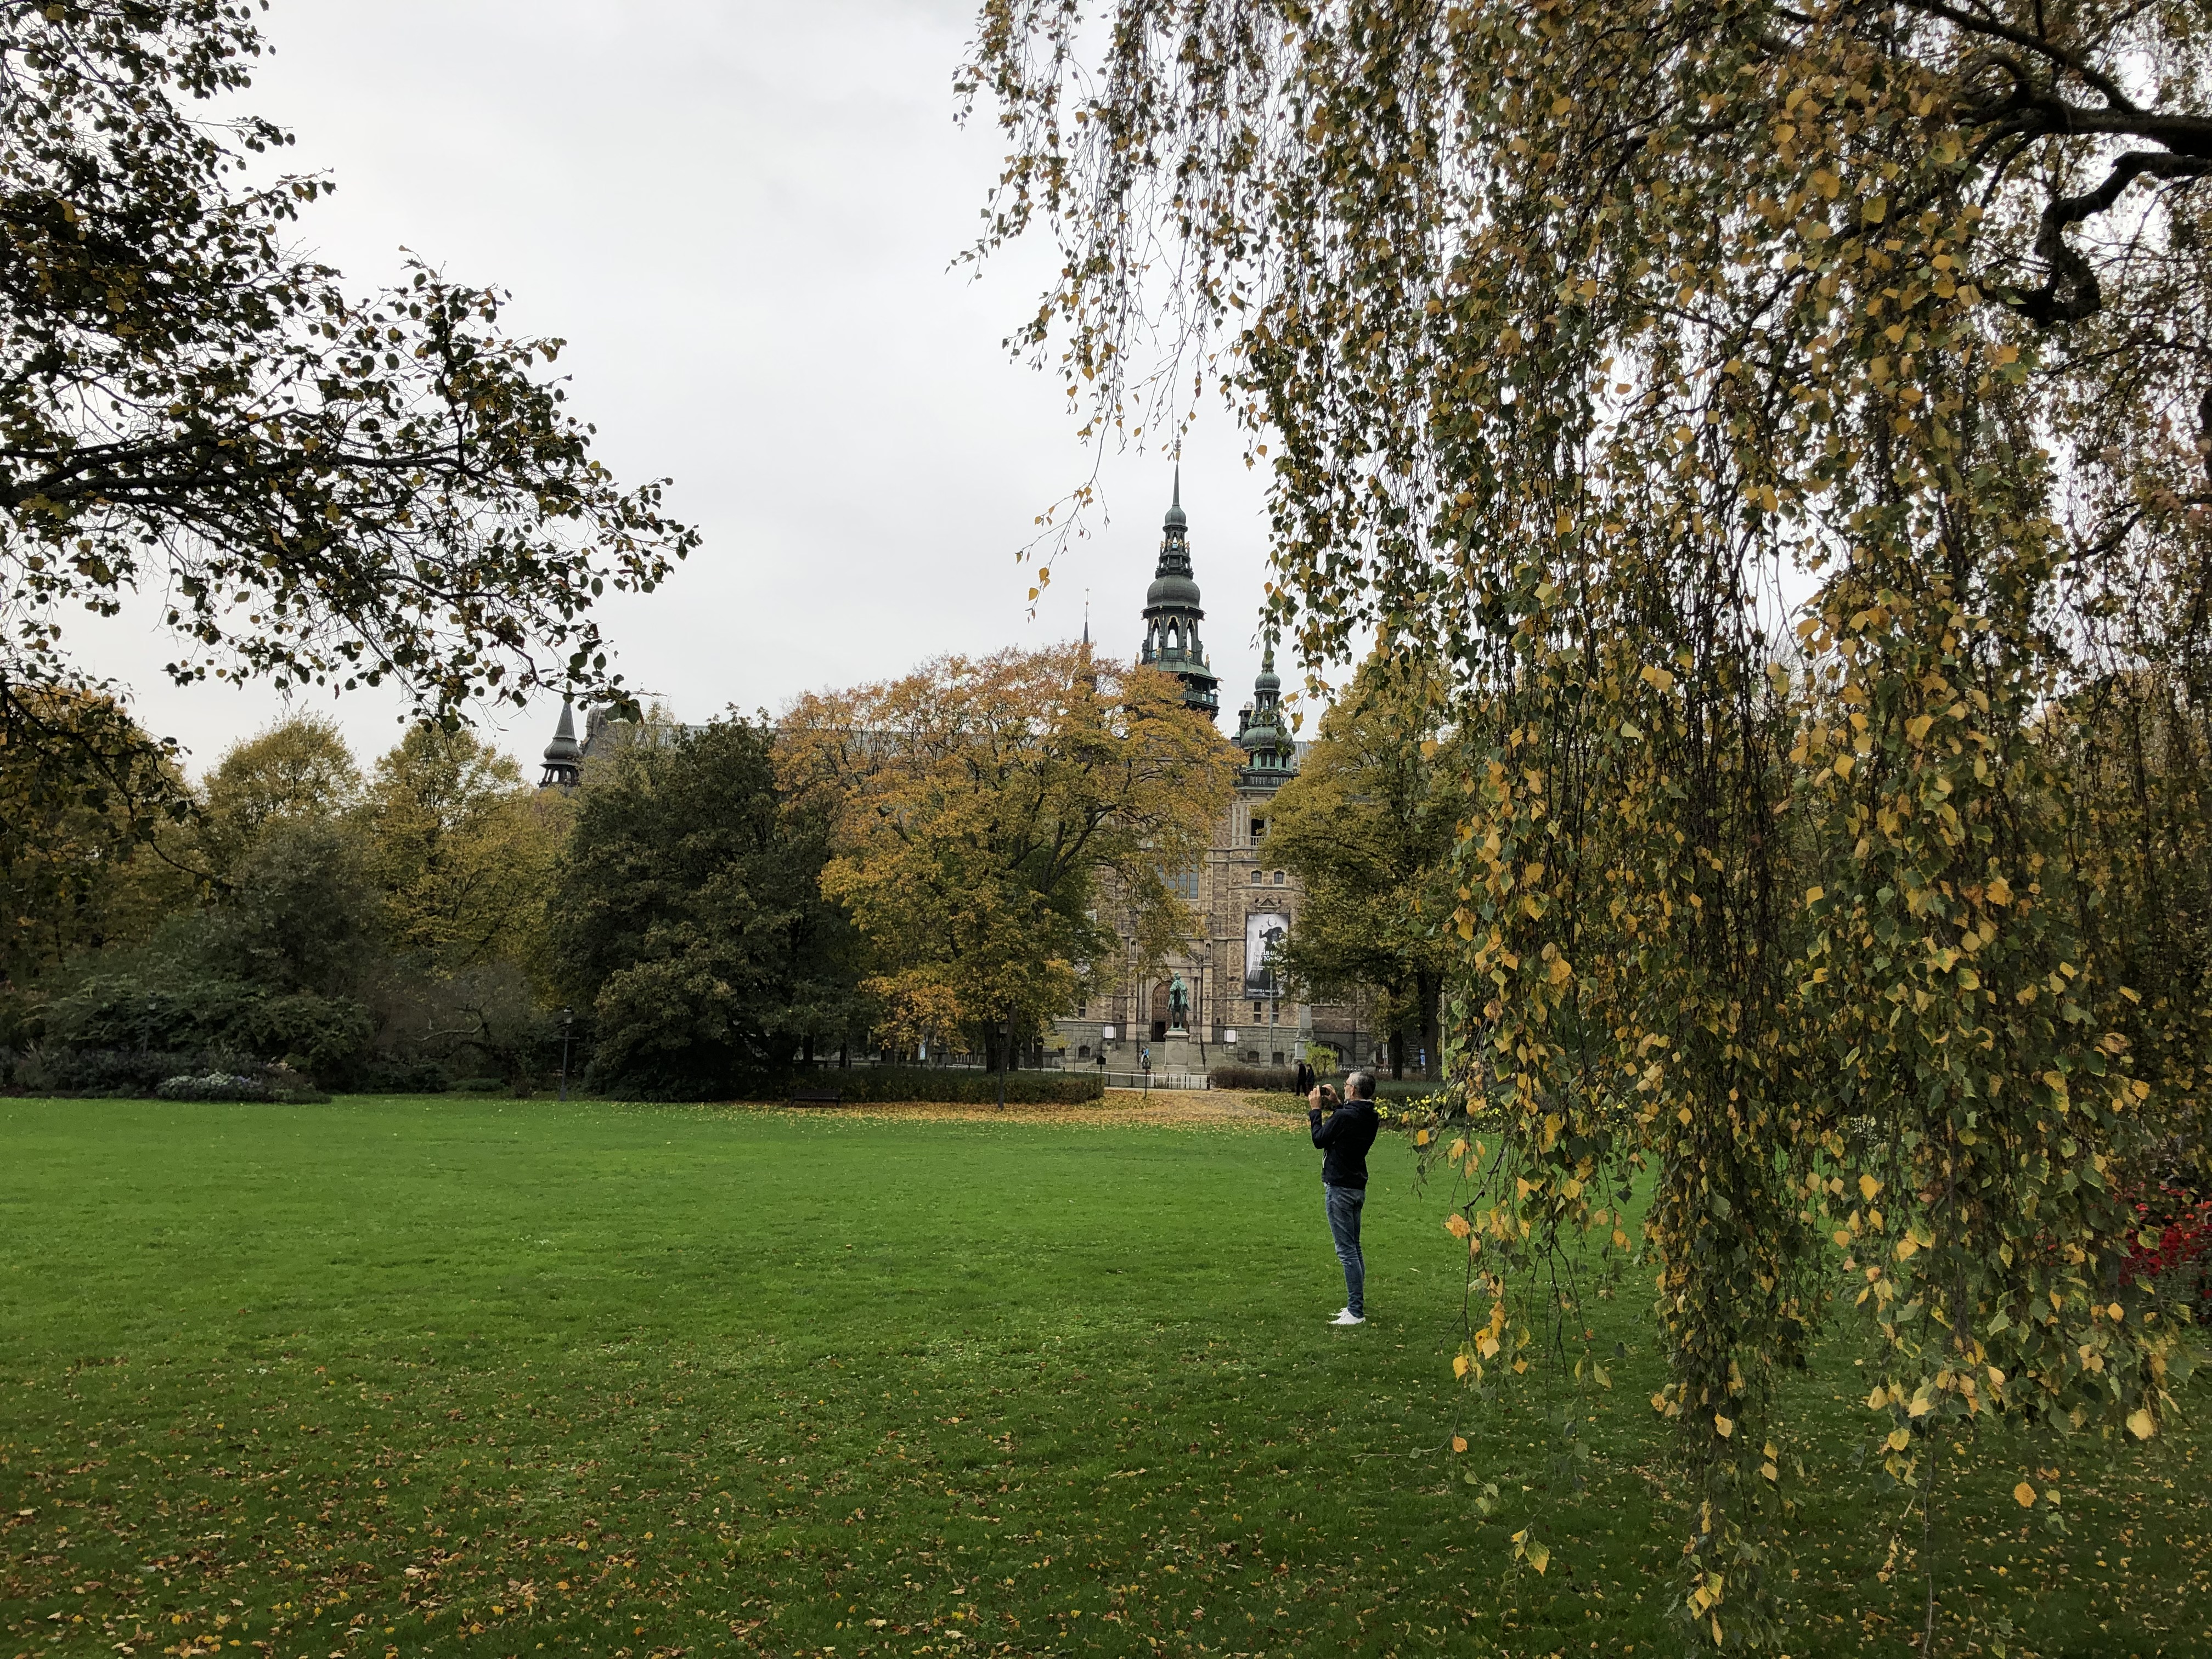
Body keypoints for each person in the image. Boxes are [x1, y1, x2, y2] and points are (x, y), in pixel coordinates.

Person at [1309, 1070, 1380, 1326]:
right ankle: (1354, 1305)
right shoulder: (1370, 1116)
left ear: (1354, 1090)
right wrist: (1338, 1103)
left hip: (1339, 1187)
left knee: (1347, 1251)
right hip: (1357, 1186)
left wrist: (1316, 1111)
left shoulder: (1345, 1116)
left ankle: (1356, 1311)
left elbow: (1319, 1140)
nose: (1345, 1086)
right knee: (1354, 1247)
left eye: (1347, 1084)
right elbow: (1349, 1121)